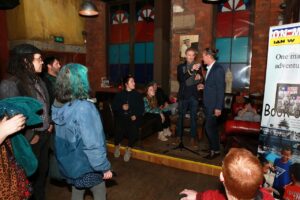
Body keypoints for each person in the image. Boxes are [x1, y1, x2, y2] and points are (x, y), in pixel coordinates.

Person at [52, 63, 112, 200]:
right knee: (99, 191)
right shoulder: (85, 108)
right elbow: (93, 143)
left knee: (77, 190)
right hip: (87, 163)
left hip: (70, 164)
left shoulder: (58, 103)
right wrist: (104, 167)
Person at [0, 43, 51, 200]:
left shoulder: (38, 80)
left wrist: (48, 123)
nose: (42, 62)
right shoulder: (10, 84)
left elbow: (44, 105)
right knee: (28, 182)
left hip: (44, 136)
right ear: (25, 61)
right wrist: (31, 135)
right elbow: (9, 118)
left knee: (41, 177)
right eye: (38, 59)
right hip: (29, 141)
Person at [179, 148, 274, 200]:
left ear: (222, 177)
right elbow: (216, 196)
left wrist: (197, 197)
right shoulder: (266, 196)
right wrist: (198, 196)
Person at [112, 75, 144, 162]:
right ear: (126, 84)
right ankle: (117, 145)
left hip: (133, 118)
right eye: (132, 81)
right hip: (122, 116)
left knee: (133, 127)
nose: (134, 83)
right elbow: (114, 106)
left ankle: (129, 148)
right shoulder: (120, 94)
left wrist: (135, 115)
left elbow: (141, 109)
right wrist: (121, 107)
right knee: (119, 125)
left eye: (134, 81)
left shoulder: (137, 95)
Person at [200, 47, 225, 159]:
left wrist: (218, 108)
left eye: (203, 56)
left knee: (209, 128)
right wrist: (204, 86)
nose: (202, 58)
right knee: (212, 128)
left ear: (209, 57)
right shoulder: (211, 68)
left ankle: (215, 150)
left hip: (213, 106)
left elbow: (220, 89)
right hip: (209, 104)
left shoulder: (218, 69)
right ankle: (213, 147)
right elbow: (213, 86)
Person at [177, 47, 202, 147]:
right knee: (180, 118)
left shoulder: (198, 66)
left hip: (194, 96)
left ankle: (192, 138)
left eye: (193, 55)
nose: (191, 57)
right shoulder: (181, 66)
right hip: (183, 95)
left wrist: (200, 78)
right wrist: (191, 70)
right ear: (185, 55)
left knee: (193, 118)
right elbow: (181, 79)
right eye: (189, 55)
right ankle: (179, 137)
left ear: (194, 56)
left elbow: (201, 79)